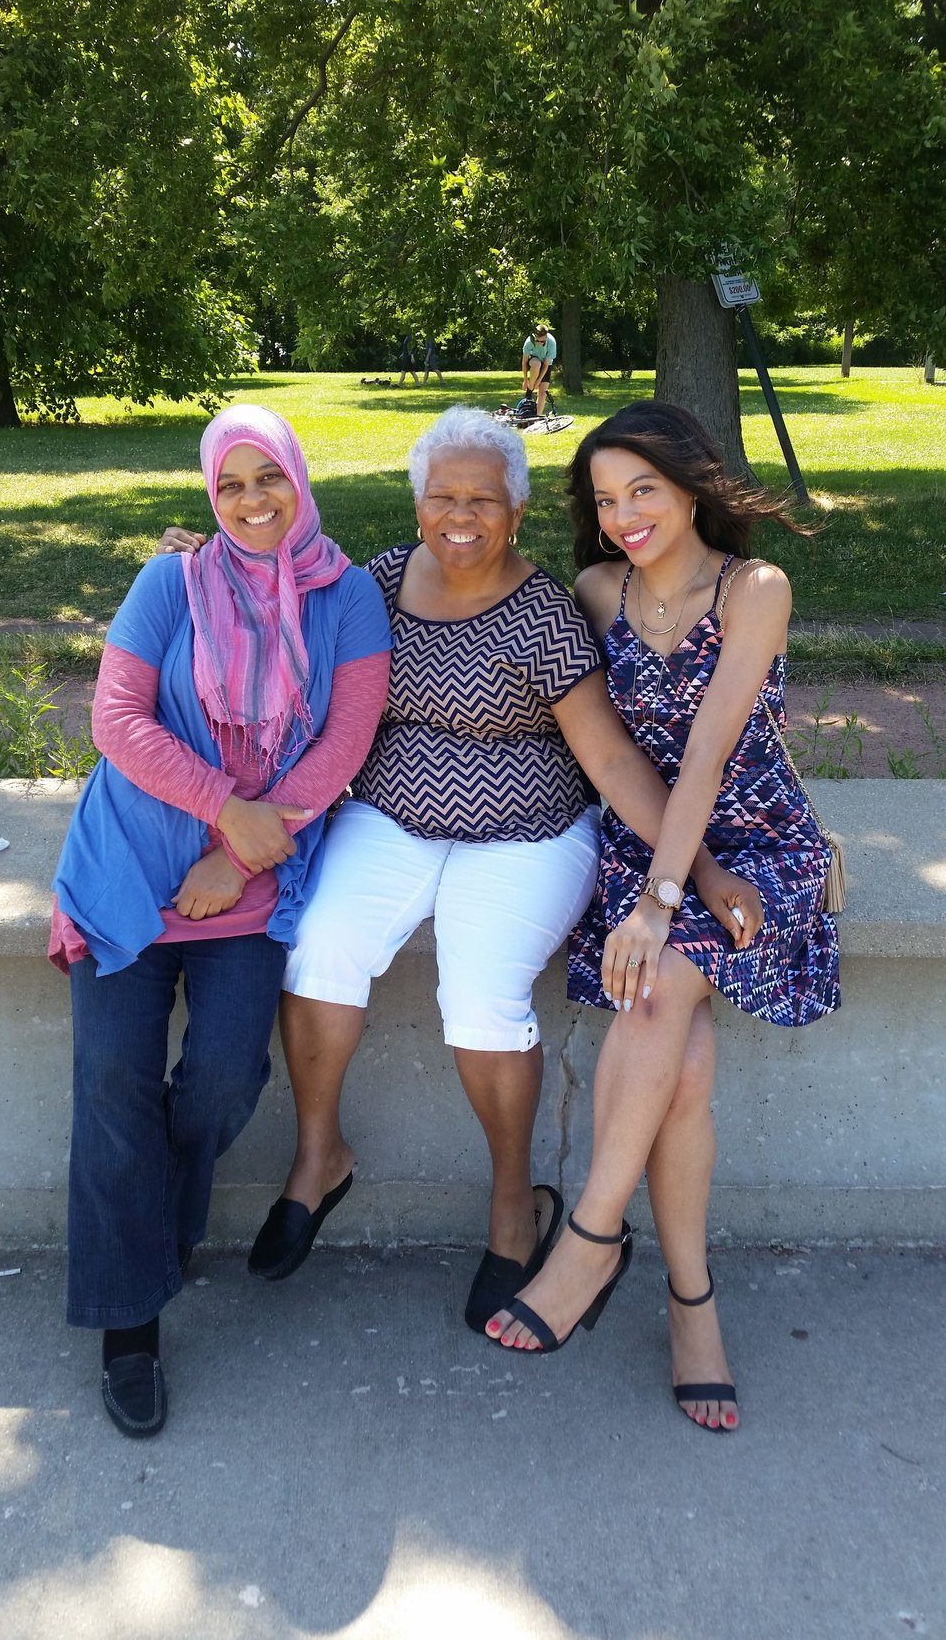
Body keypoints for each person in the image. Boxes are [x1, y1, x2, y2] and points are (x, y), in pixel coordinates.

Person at [171, 406, 758, 1338]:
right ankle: (320, 1157)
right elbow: (274, 594)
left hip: (528, 833)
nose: (460, 514)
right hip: (391, 819)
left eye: (482, 499)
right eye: (441, 496)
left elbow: (609, 763)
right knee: (320, 943)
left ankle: (511, 1206)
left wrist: (709, 871)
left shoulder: (543, 613)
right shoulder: (376, 586)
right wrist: (197, 557)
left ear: (515, 511)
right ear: (415, 506)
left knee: (481, 988)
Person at [486, 400, 840, 1436]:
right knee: (677, 1057)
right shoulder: (597, 591)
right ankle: (694, 1307)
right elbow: (469, 573)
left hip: (755, 846)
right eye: (604, 498)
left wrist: (665, 898)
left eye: (642, 487)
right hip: (655, 844)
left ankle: (591, 1237)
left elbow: (709, 755)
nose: (624, 513)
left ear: (690, 484)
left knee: (657, 979)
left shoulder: (754, 588)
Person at [50, 404, 392, 1438]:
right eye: (231, 483)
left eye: (268, 478)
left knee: (224, 1078)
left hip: (248, 882)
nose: (252, 501)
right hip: (130, 871)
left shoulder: (350, 599)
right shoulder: (170, 581)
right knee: (113, 1081)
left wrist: (240, 847)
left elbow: (339, 748)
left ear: (298, 478)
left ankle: (145, 1231)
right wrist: (222, 811)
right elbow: (115, 720)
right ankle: (130, 1322)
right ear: (211, 492)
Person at [521, 322, 557, 417]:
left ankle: (537, 416)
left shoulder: (551, 342)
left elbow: (546, 365)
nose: (539, 343)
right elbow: (524, 362)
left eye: (542, 342)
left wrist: (539, 381)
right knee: (536, 364)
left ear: (546, 337)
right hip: (534, 360)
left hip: (545, 363)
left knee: (543, 392)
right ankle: (529, 391)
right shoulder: (529, 342)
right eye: (537, 341)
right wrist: (525, 380)